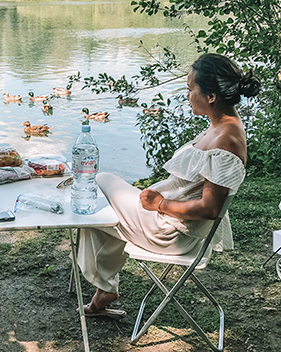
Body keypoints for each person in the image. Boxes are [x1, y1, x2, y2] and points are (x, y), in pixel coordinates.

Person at [78, 53, 262, 317]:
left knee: (98, 186)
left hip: (170, 231)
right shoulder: (221, 127)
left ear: (211, 96)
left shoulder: (227, 141)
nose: (188, 96)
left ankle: (104, 286)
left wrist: (160, 204)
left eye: (191, 89)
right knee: (101, 204)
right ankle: (104, 288)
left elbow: (210, 209)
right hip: (165, 218)